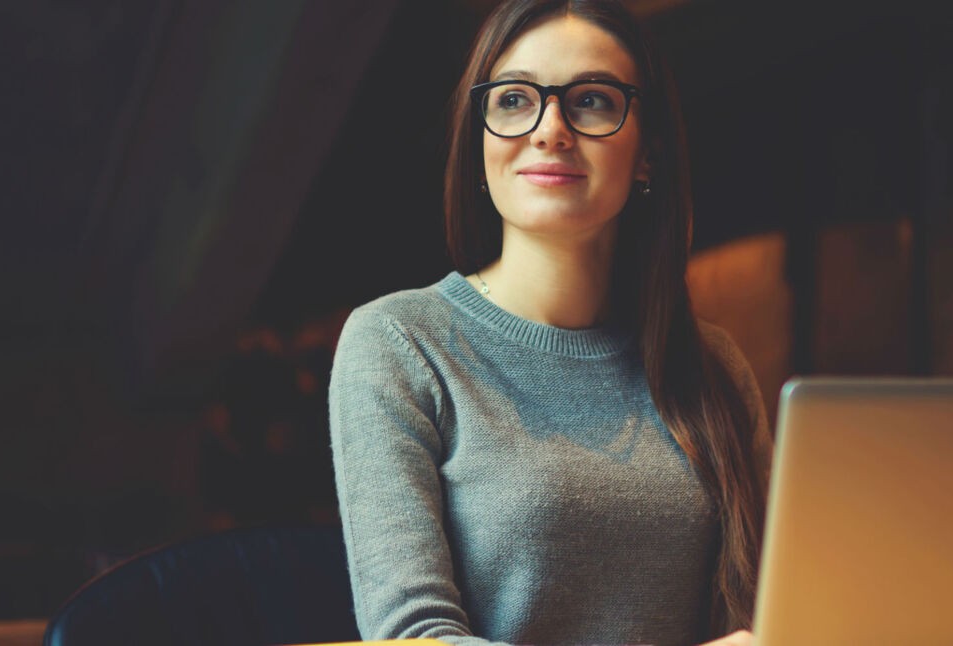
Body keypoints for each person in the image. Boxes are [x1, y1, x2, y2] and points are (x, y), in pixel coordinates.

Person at [328, 1, 771, 643]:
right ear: (480, 140)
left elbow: (764, 615)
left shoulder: (712, 364)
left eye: (592, 101)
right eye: (514, 100)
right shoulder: (400, 344)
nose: (550, 129)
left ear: (648, 153)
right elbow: (413, 635)